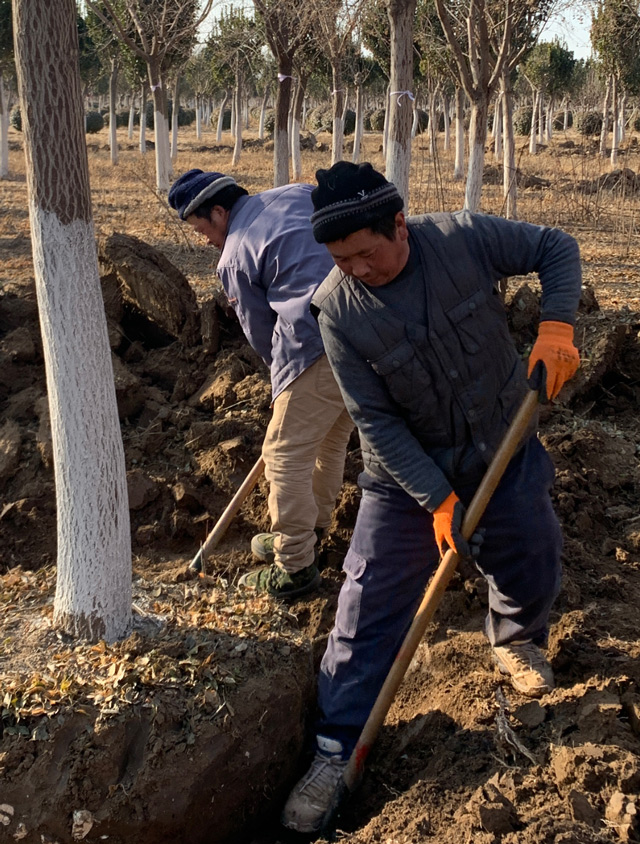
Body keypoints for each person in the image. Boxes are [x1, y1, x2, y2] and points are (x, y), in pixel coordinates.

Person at [280, 161, 581, 833]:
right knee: (368, 605)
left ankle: (516, 639)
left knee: (531, 548)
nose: (357, 268)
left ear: (399, 225)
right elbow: (376, 423)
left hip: (501, 441)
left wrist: (557, 326)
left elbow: (555, 247)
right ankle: (336, 746)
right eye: (340, 259)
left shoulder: (464, 238)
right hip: (405, 476)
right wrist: (436, 501)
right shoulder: (337, 310)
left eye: (366, 252)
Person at [168, 170, 354, 599]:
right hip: (369, 330)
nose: (205, 240)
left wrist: (287, 382)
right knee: (329, 440)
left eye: (202, 229)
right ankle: (312, 531)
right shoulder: (295, 193)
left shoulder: (233, 256)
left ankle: (295, 566)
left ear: (218, 211)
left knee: (284, 456)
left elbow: (260, 331)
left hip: (315, 342)